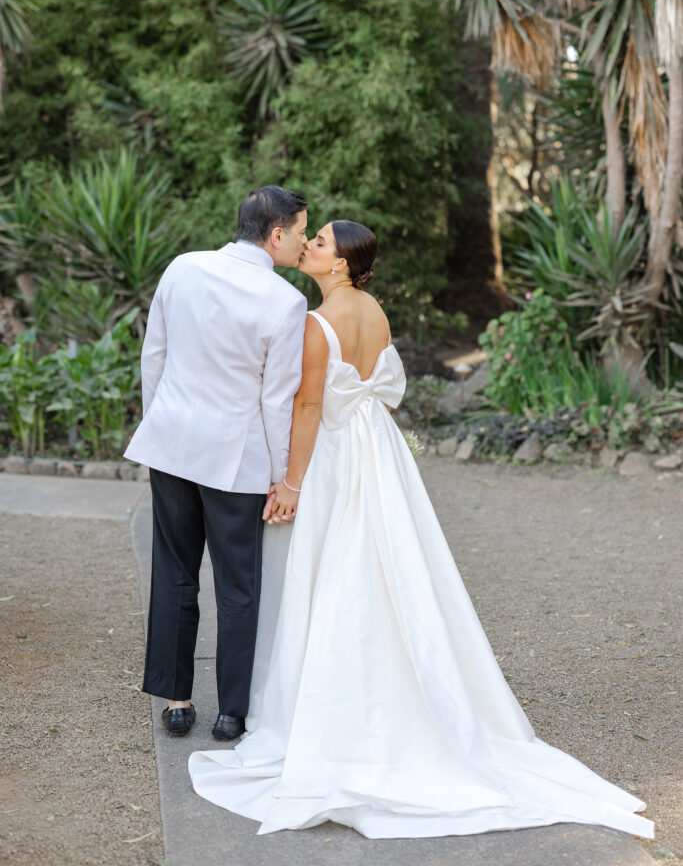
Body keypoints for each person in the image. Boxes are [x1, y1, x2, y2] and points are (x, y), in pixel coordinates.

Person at [187, 220, 654, 841]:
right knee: (389, 563)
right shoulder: (374, 311)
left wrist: (291, 483)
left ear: (343, 265)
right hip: (376, 454)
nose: (310, 247)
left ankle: (332, 717)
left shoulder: (314, 323)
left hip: (332, 455)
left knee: (333, 570)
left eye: (321, 242)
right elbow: (377, 393)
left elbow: (306, 406)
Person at [124, 186, 308, 741]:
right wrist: (282, 475)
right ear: (275, 235)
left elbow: (152, 355)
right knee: (238, 586)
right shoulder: (285, 301)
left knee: (175, 571)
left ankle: (177, 701)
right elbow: (276, 402)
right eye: (301, 232)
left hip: (172, 443)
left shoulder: (183, 268)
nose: (303, 242)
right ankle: (232, 712)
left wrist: (160, 422)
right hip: (236, 458)